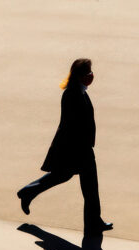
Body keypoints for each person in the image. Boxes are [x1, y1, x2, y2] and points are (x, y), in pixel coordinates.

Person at [16, 58, 112, 234]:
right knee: (88, 186)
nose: (91, 75)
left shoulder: (80, 91)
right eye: (88, 72)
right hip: (78, 149)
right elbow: (71, 125)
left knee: (65, 177)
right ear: (80, 75)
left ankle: (28, 192)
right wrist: (82, 149)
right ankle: (93, 223)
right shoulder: (72, 94)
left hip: (80, 148)